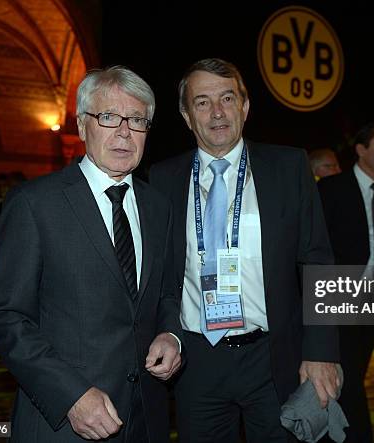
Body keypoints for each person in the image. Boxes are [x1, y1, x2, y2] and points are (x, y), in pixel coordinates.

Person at [0, 66, 182, 442]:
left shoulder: (159, 207)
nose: (125, 132)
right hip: (64, 422)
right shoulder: (34, 203)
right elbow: (6, 316)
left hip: (147, 419)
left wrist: (171, 335)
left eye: (137, 120)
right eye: (109, 117)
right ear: (82, 125)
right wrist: (70, 395)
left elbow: (167, 292)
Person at [149, 58, 340, 443]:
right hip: (196, 360)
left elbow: (317, 260)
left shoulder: (288, 167)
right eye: (202, 102)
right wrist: (168, 332)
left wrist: (321, 351)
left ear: (245, 106)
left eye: (227, 99)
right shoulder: (162, 179)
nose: (217, 112)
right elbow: (164, 275)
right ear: (187, 116)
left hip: (271, 358)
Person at [318, 120, 374, 443]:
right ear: (361, 150)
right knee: (349, 377)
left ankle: (331, 429)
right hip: (342, 294)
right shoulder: (333, 188)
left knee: (357, 373)